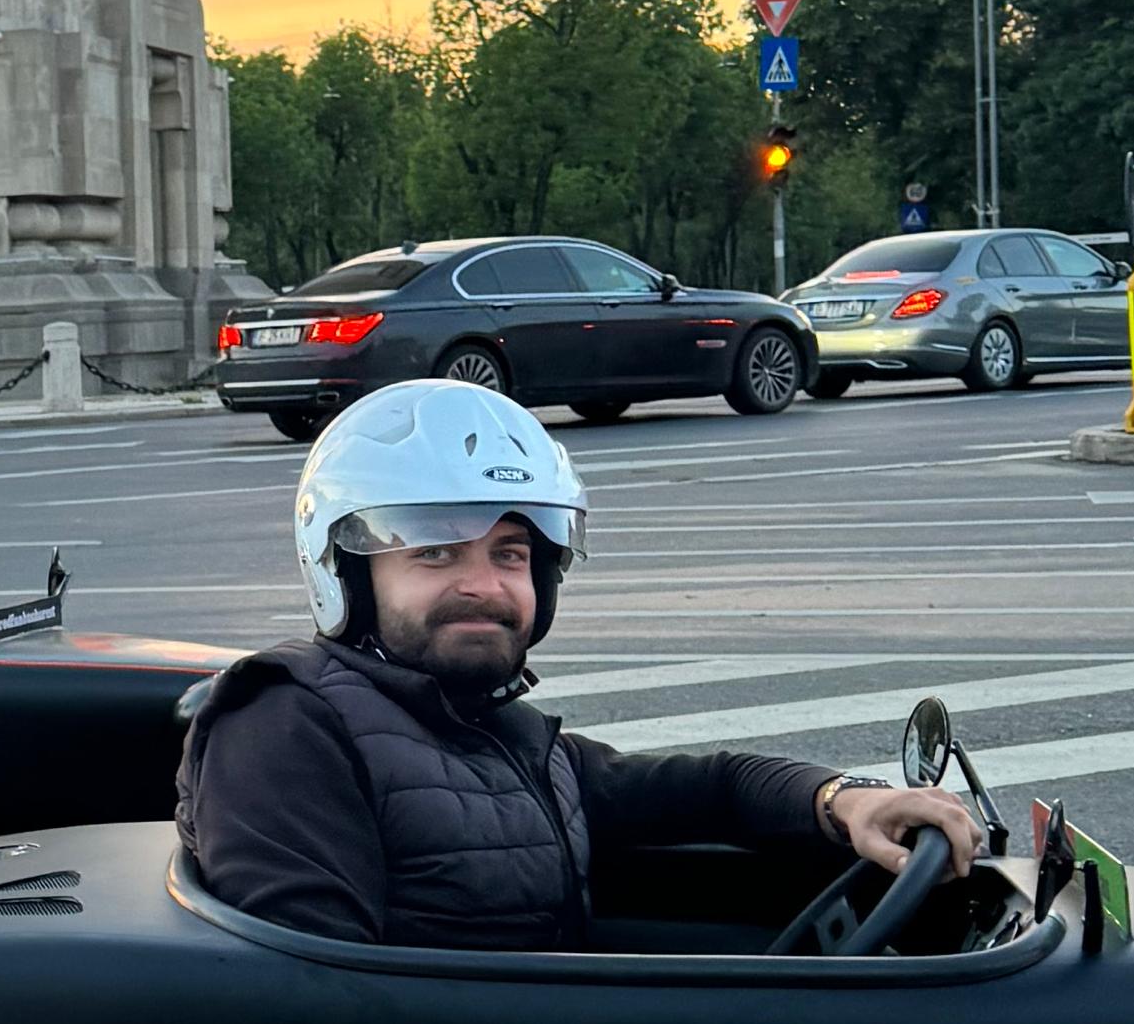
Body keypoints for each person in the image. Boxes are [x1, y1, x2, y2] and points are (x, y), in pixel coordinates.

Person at [178, 383, 979, 951]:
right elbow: (308, 998)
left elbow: (704, 787)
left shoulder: (495, 730)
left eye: (510, 553)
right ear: (346, 573)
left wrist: (841, 800)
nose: (484, 585)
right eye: (434, 553)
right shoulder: (286, 723)